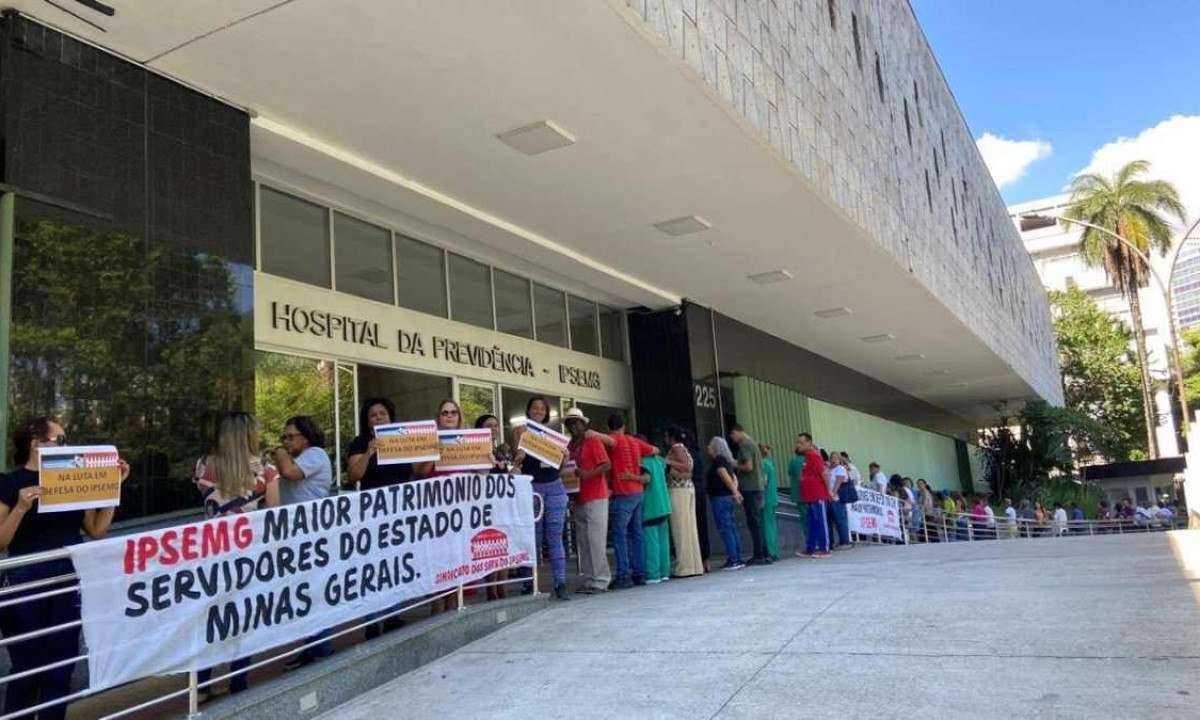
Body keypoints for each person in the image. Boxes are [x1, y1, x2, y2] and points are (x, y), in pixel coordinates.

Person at [0, 417, 130, 720]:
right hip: (25, 583)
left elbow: (97, 530)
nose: (66, 446)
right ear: (36, 444)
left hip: (68, 579)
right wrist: (20, 508)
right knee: (28, 666)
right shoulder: (10, 482)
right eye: (60, 440)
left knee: (61, 664)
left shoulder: (70, 478)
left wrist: (113, 488)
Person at [194, 412, 281, 698]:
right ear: (250, 435)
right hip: (248, 554)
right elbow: (275, 511)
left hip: (210, 552)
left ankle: (202, 686)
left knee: (210, 619)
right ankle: (238, 684)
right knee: (245, 618)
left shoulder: (203, 465)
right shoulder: (265, 469)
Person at [270, 416, 334, 669]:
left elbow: (289, 473)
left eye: (290, 437)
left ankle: (320, 647)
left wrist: (277, 453)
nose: (285, 442)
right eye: (282, 438)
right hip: (295, 535)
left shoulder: (315, 454)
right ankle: (311, 645)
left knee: (314, 592)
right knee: (304, 593)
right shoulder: (298, 457)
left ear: (306, 437)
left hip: (313, 536)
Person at [512, 397, 570, 601]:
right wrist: (520, 451)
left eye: (542, 408)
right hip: (532, 488)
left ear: (547, 413)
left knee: (555, 538)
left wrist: (566, 457)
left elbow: (561, 469)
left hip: (554, 487)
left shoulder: (555, 437)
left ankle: (561, 583)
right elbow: (517, 459)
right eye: (534, 408)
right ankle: (531, 583)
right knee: (533, 538)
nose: (538, 411)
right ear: (528, 410)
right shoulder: (521, 431)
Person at [605, 414, 657, 589]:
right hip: (638, 493)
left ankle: (623, 575)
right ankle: (639, 574)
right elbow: (655, 450)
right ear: (624, 426)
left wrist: (591, 434)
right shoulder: (635, 441)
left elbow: (607, 441)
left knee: (620, 535)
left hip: (623, 493)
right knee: (637, 535)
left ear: (609, 427)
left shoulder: (613, 439)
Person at [564, 408, 612, 593]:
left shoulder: (592, 440)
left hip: (596, 495)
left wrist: (587, 474)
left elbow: (606, 464)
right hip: (579, 497)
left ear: (584, 424)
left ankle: (601, 580)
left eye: (576, 422)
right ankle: (590, 578)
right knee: (584, 542)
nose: (574, 425)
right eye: (570, 422)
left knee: (596, 540)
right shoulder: (571, 445)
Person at [475, 414, 512, 600]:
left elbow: (509, 474)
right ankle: (491, 591)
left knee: (503, 547)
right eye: (488, 425)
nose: (492, 429)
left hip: (503, 505)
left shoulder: (501, 451)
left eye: (495, 426)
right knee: (490, 548)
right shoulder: (473, 450)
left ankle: (502, 590)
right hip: (484, 507)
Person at [345, 397, 412, 491]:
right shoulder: (360, 442)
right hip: (375, 500)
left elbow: (419, 472)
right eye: (373, 415)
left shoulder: (403, 438)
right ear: (368, 422)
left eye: (383, 413)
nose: (379, 417)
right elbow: (352, 477)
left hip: (404, 498)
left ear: (390, 417)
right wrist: (368, 452)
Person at [664, 427, 704, 577]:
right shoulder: (684, 448)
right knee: (689, 528)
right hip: (688, 489)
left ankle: (684, 567)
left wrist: (668, 462)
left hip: (678, 490)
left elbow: (686, 466)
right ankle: (694, 566)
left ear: (670, 437)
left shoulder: (676, 448)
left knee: (680, 529)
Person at [730, 425, 769, 564]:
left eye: (733, 435)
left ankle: (758, 554)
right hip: (758, 486)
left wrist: (734, 464)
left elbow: (748, 466)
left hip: (750, 487)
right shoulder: (753, 443)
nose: (733, 439)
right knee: (758, 520)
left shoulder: (744, 445)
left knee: (753, 522)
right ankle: (765, 553)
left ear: (738, 432)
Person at [706, 437, 745, 570]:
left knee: (725, 528)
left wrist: (735, 492)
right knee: (732, 528)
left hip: (720, 498)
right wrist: (735, 491)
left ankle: (733, 559)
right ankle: (738, 558)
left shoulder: (718, 461)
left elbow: (725, 477)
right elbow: (733, 478)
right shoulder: (727, 461)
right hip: (727, 497)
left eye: (710, 446)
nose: (708, 448)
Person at [640, 444, 672, 584]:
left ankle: (653, 574)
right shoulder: (659, 460)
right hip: (664, 504)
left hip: (650, 506)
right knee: (663, 540)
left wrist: (631, 477)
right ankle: (665, 572)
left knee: (651, 541)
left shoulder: (644, 462)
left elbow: (646, 479)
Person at [796, 433, 831, 558]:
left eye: (801, 442)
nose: (798, 445)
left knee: (821, 521)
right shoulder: (807, 457)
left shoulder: (813, 455)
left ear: (808, 443)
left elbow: (823, 473)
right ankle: (811, 548)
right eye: (798, 442)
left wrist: (829, 491)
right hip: (810, 495)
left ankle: (825, 548)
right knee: (812, 522)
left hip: (818, 494)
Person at [760, 444, 781, 561]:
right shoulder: (769, 463)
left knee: (766, 525)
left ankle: (769, 552)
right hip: (773, 496)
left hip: (766, 498)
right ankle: (774, 551)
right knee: (772, 525)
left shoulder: (762, 464)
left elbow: (764, 481)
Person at [827, 451, 852, 550]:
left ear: (839, 459)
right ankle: (833, 542)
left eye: (836, 458)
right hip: (830, 498)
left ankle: (845, 541)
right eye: (832, 457)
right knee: (832, 521)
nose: (833, 459)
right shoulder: (830, 469)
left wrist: (832, 493)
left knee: (840, 520)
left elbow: (838, 481)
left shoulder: (840, 468)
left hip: (836, 498)